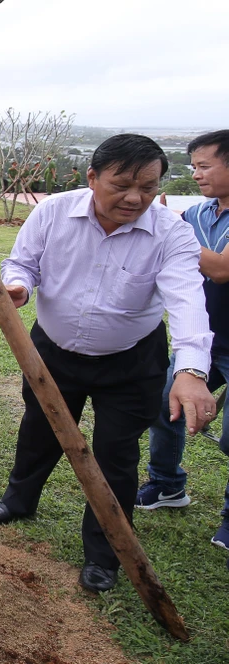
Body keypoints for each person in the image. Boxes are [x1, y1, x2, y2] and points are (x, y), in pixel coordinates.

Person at [0, 134, 214, 594]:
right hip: (52, 351)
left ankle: (105, 552)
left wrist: (191, 370)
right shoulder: (52, 212)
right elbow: (23, 263)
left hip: (131, 362)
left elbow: (188, 299)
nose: (135, 197)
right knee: (38, 430)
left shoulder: (172, 232)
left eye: (148, 187)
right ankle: (18, 500)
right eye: (122, 184)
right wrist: (18, 288)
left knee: (116, 455)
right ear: (92, 178)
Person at [136, 130, 229, 547]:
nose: (196, 174)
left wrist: (170, 227)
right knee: (164, 405)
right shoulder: (201, 214)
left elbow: (222, 269)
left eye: (205, 165)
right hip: (204, 340)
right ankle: (167, 483)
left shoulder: (183, 223)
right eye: (194, 165)